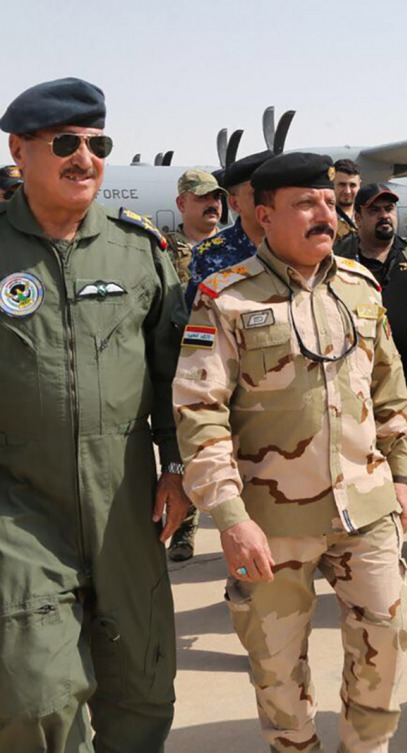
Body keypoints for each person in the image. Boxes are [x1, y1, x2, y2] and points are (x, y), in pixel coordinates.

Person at [174, 152, 407, 752]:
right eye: (305, 204)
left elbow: (389, 387)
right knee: (278, 672)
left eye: (330, 203)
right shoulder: (225, 298)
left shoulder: (360, 287)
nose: (325, 214)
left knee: (387, 645)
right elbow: (199, 412)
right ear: (264, 215)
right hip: (270, 524)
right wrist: (229, 518)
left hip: (366, 509)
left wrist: (402, 477)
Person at [0, 76, 188, 753]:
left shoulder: (139, 250)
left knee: (142, 683)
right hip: (19, 504)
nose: (85, 158)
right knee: (33, 693)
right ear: (19, 150)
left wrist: (179, 467)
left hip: (125, 501)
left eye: (97, 144)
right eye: (65, 144)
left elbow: (176, 373)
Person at [334, 182, 407, 530]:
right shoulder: (338, 259)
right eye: (374, 210)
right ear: (358, 216)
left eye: (388, 209)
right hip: (356, 371)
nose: (384, 215)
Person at [164, 168, 229, 561]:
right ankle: (184, 528)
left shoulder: (233, 246)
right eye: (203, 197)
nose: (212, 204)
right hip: (182, 358)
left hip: (227, 358)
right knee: (185, 444)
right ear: (181, 203)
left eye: (216, 197)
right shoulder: (163, 250)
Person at [185, 149, 271, 306]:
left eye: (274, 192)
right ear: (234, 203)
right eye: (256, 194)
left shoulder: (301, 246)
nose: (269, 200)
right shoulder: (208, 255)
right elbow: (196, 316)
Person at [334, 158, 362, 241]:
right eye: (342, 185)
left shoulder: (366, 216)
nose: (347, 191)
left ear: (359, 185)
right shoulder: (323, 217)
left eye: (352, 185)